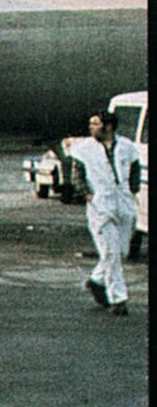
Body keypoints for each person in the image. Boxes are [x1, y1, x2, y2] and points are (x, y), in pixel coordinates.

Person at [69, 110, 141, 317]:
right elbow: (77, 173)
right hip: (101, 206)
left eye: (95, 124)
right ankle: (118, 299)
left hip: (124, 203)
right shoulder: (84, 149)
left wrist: (132, 188)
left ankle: (96, 280)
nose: (91, 127)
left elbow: (135, 167)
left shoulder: (126, 146)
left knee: (121, 252)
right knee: (110, 252)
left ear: (107, 127)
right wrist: (86, 193)